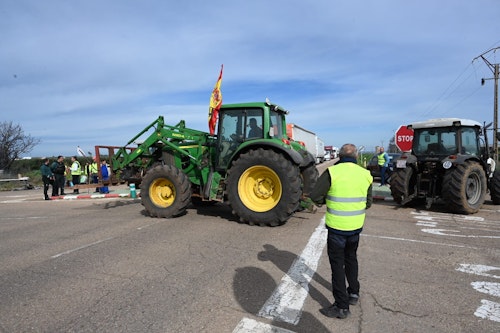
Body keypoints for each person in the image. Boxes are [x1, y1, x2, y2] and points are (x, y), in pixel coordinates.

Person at [309, 143, 373, 319]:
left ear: (340, 156)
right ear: (356, 157)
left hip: (337, 228)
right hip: (355, 228)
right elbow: (368, 202)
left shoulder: (333, 172)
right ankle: (353, 293)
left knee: (337, 265)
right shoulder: (365, 174)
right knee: (351, 259)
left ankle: (341, 306)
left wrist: (325, 201)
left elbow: (315, 196)